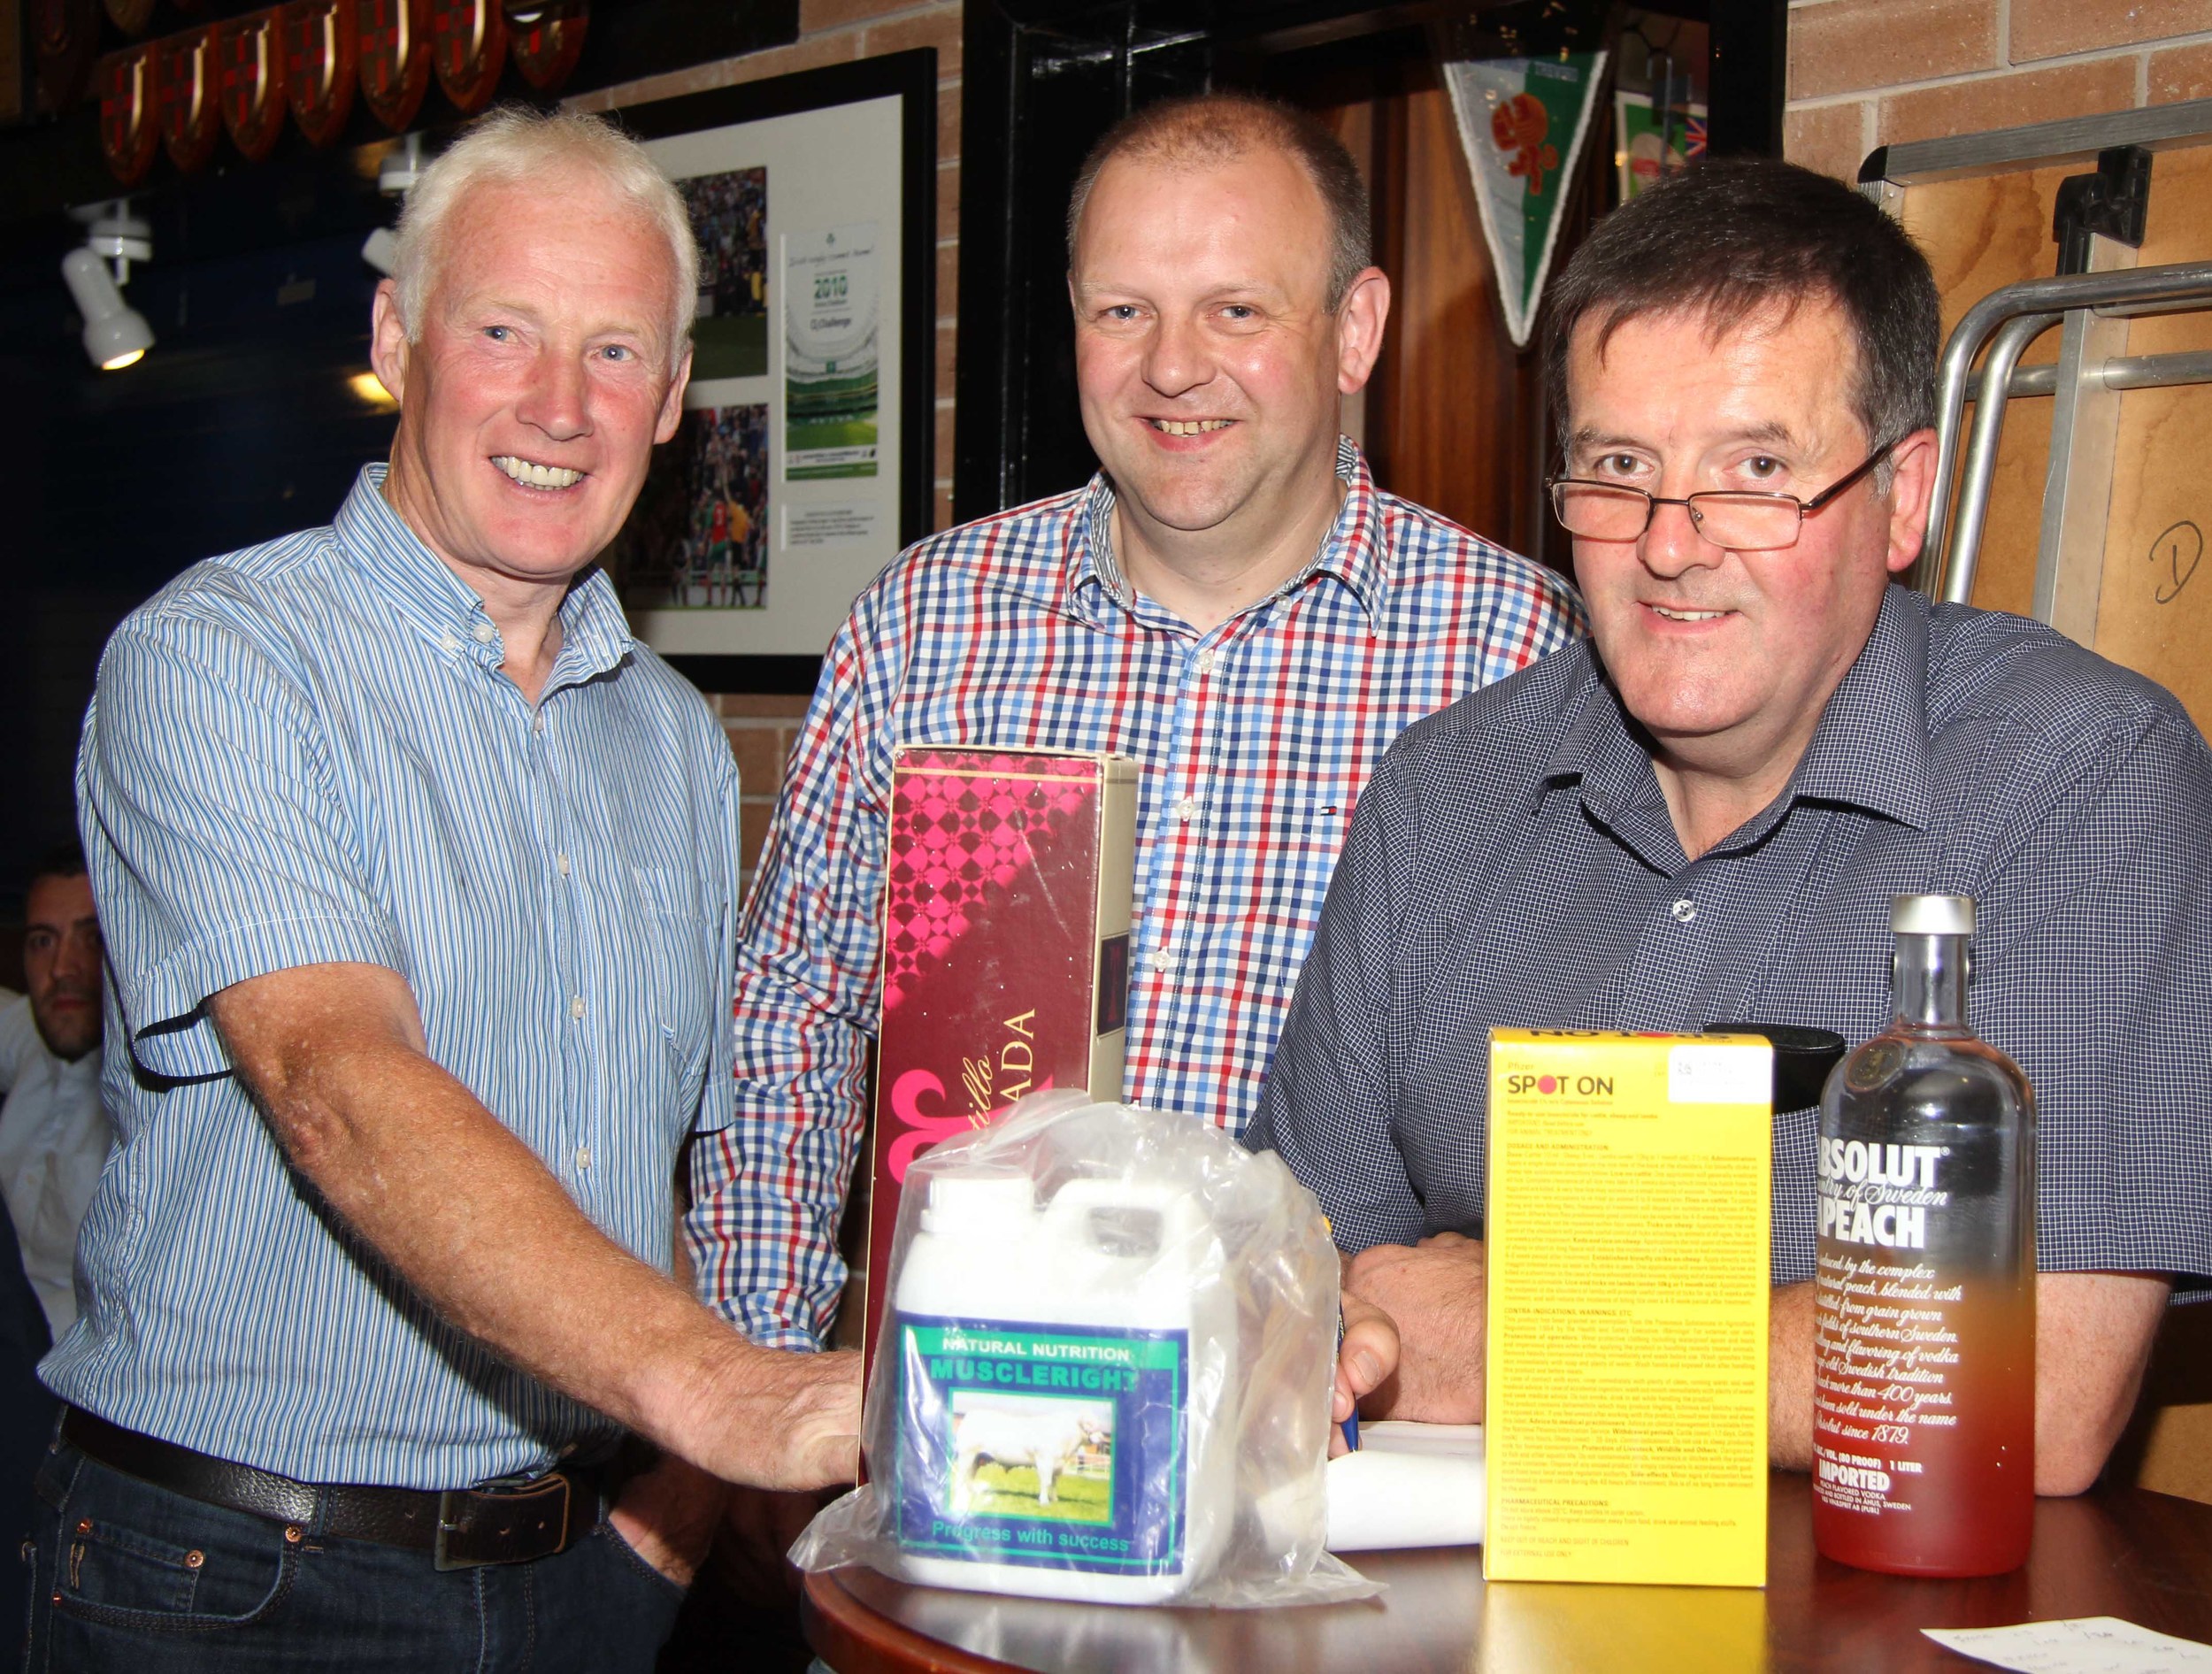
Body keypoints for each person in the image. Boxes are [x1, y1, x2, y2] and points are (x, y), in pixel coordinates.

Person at [1248, 155, 2212, 1497]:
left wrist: (1500, 1327)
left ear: (1906, 496)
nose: (1671, 543)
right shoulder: (1441, 798)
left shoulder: (2077, 781)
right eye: (1619, 468)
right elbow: (1282, 1294)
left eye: (1756, 470)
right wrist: (1787, 1344)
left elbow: (2031, 1390)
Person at [42, 108, 857, 1670]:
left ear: (677, 396)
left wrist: (662, 1517)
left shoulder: (679, 747)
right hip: (238, 1585)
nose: (560, 403)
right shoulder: (220, 658)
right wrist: (724, 1394)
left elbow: (666, 1169)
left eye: (619, 351)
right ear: (397, 336)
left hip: (584, 1574)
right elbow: (340, 1084)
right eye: (505, 330)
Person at [713, 94, 1585, 1440]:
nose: (1174, 368)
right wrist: (764, 1387)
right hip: (967, 1427)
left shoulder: (1522, 653)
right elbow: (788, 1017)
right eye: (1123, 311)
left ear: (1355, 330)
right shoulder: (925, 622)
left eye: (1238, 310)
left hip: (1335, 1478)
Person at [0, 844, 109, 1340]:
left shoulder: (170, 1101)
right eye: (43, 941)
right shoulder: (32, 1031)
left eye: (92, 939)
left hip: (82, 1387)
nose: (64, 967)